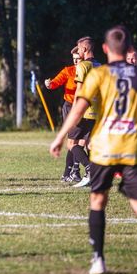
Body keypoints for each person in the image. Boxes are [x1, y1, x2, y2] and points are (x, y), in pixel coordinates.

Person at [49, 25, 137, 274]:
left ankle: (98, 261)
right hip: (133, 148)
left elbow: (78, 107)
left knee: (97, 201)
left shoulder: (99, 74)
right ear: (128, 50)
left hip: (104, 148)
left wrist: (60, 138)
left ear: (105, 49)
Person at [44, 50, 82, 182]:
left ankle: (72, 172)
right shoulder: (69, 71)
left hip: (84, 107)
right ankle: (70, 172)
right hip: (70, 106)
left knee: (81, 140)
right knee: (73, 139)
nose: (75, 61)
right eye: (74, 58)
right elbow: (56, 82)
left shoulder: (88, 70)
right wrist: (49, 84)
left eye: (78, 58)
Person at [69, 37, 101, 188]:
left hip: (85, 111)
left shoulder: (83, 66)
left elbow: (79, 90)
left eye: (79, 49)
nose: (78, 51)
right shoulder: (100, 66)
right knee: (89, 145)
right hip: (97, 111)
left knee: (72, 144)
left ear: (85, 49)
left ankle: (90, 170)